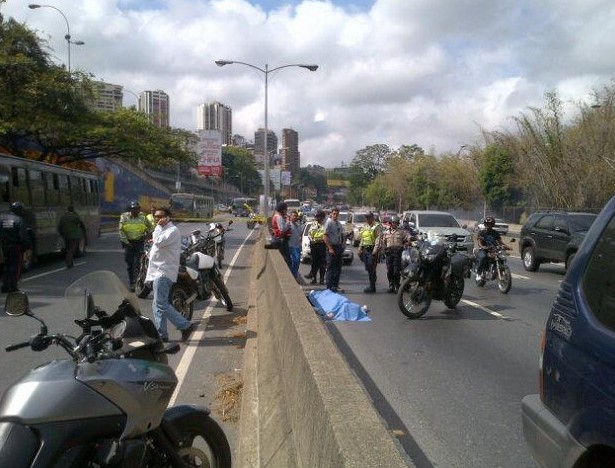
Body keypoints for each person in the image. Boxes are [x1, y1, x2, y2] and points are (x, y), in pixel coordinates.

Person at [145, 207, 195, 342]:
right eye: (155, 216)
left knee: (161, 304)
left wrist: (156, 231)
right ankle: (163, 335)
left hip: (164, 272)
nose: (157, 219)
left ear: (167, 217)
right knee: (156, 305)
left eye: (160, 216)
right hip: (157, 272)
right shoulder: (163, 230)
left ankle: (185, 326)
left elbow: (159, 241)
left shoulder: (172, 230)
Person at [119, 201, 153, 291]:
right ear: (130, 209)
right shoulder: (124, 217)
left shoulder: (143, 217)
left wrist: (149, 234)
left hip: (139, 243)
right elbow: (121, 231)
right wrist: (126, 242)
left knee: (138, 263)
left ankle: (136, 283)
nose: (136, 211)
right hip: (128, 243)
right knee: (129, 264)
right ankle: (131, 282)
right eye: (134, 209)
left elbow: (150, 227)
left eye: (137, 209)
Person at [375, 215, 413, 293]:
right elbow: (383, 242)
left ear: (398, 224)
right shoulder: (386, 232)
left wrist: (410, 240)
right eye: (392, 223)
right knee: (389, 270)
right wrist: (382, 250)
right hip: (389, 253)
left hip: (397, 253)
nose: (393, 224)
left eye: (395, 223)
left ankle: (396, 285)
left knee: (396, 271)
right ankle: (391, 285)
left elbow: (408, 237)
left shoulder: (401, 232)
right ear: (390, 223)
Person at [0, 202, 29, 293]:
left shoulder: (2, 219)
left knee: (6, 266)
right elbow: (23, 236)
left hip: (3, 246)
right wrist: (25, 248)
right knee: (15, 267)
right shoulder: (19, 220)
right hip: (15, 247)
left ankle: (5, 286)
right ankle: (13, 286)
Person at [475, 216, 510, 281]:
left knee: (501, 258)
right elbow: (479, 242)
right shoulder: (482, 232)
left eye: (490, 224)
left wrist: (507, 247)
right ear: (485, 224)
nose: (489, 225)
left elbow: (500, 242)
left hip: (493, 249)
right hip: (484, 249)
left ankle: (497, 271)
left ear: (493, 224)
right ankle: (478, 274)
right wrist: (483, 247)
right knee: (482, 257)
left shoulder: (495, 233)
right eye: (487, 224)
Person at [358, 212, 382, 293]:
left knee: (371, 267)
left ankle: (372, 287)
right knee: (368, 268)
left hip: (372, 250)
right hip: (365, 249)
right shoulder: (365, 226)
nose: (367, 219)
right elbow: (363, 238)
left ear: (372, 217)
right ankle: (372, 282)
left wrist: (375, 251)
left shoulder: (376, 226)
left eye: (369, 217)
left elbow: (378, 239)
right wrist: (359, 249)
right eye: (366, 218)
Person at [323, 207, 345, 292]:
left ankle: (335, 286)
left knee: (338, 268)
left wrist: (342, 245)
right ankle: (329, 287)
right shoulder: (329, 222)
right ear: (331, 214)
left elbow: (341, 235)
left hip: (338, 247)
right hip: (331, 247)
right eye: (334, 214)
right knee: (330, 268)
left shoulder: (338, 223)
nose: (335, 215)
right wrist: (330, 248)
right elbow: (325, 236)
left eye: (337, 214)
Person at [305, 210, 327, 285]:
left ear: (322, 217)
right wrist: (312, 239)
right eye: (316, 216)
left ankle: (321, 279)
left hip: (322, 245)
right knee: (314, 263)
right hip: (314, 245)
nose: (317, 218)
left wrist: (319, 240)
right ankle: (314, 278)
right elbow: (309, 234)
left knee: (322, 264)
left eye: (319, 216)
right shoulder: (313, 224)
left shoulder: (326, 225)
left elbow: (326, 235)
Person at [271, 202, 291, 266]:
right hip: (281, 240)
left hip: (277, 238)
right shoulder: (279, 217)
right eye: (286, 209)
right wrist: (288, 223)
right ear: (283, 210)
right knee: (287, 258)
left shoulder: (275, 216)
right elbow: (282, 229)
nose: (286, 211)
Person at [287, 210, 303, 280]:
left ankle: (294, 274)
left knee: (297, 261)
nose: (294, 217)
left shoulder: (298, 225)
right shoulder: (288, 225)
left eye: (296, 216)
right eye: (293, 216)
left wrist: (300, 240)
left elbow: (300, 234)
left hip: (297, 246)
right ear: (290, 217)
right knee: (294, 261)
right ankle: (293, 276)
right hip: (291, 246)